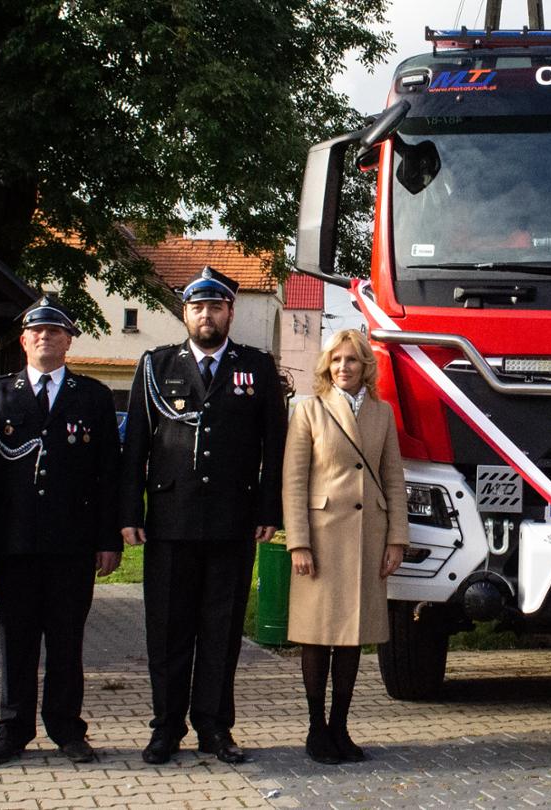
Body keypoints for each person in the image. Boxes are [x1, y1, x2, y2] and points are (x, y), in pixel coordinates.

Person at [120, 267, 286, 765]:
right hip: (169, 520)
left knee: (221, 630)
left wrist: (268, 508)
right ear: (186, 313)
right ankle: (165, 727)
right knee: (168, 631)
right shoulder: (155, 365)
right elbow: (135, 447)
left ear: (230, 312)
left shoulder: (256, 367)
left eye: (216, 307)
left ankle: (215, 727)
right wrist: (130, 510)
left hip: (232, 522)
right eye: (197, 307)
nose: (206, 315)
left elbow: (272, 447)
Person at [0, 296, 120, 766]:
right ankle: (11, 730)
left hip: (71, 544)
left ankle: (66, 728)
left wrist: (107, 539)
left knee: (66, 641)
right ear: (23, 340)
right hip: (13, 544)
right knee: (15, 641)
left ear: (69, 341)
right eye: (36, 331)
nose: (45, 337)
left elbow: (107, 475)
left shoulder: (94, 397)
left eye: (55, 332)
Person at [281, 329, 409, 765]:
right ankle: (316, 728)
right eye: (335, 360)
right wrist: (298, 542)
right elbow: (294, 481)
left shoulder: (382, 413)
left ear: (365, 367)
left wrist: (397, 538)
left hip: (367, 537)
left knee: (353, 637)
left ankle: (340, 726)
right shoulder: (309, 411)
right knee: (317, 635)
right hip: (322, 537)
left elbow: (393, 478)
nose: (343, 368)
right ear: (326, 366)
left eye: (351, 360)